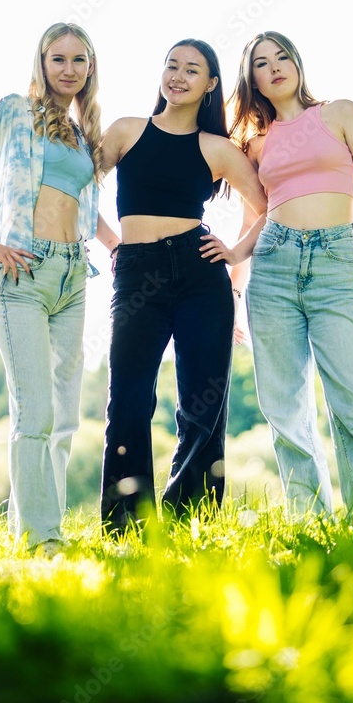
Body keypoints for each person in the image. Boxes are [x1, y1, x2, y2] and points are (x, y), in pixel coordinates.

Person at [201, 31, 353, 521]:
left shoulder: (340, 114)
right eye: (261, 63)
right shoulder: (255, 144)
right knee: (284, 408)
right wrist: (235, 274)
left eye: (282, 57)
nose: (274, 67)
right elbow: (259, 213)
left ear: (297, 63)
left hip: (336, 263)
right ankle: (310, 520)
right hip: (273, 269)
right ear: (251, 80)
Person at [0, 22, 118, 555]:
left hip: (73, 275)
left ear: (90, 67)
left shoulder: (81, 133)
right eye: (57, 59)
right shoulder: (16, 112)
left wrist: (116, 246)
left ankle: (37, 524)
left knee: (65, 416)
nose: (68, 69)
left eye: (78, 60)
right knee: (35, 412)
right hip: (23, 273)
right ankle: (41, 539)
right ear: (42, 63)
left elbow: (80, 204)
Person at [99, 39, 267, 532]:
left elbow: (268, 205)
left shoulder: (218, 148)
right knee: (128, 400)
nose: (178, 75)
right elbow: (77, 189)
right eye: (171, 65)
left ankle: (188, 519)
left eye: (191, 69)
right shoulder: (126, 131)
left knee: (202, 405)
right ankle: (126, 523)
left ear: (210, 84)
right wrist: (114, 244)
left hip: (200, 276)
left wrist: (235, 253)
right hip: (137, 272)